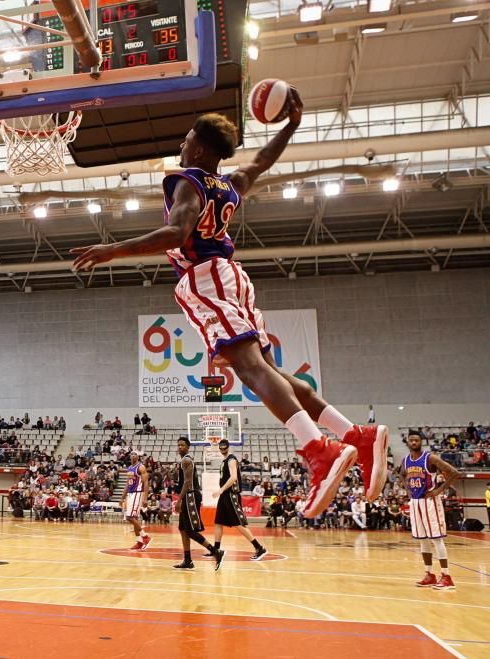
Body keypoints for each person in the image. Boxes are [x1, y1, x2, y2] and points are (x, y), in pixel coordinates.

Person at [70, 97, 388, 518]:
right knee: (274, 374)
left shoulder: (188, 180)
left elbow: (176, 230)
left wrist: (114, 249)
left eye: (186, 140)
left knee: (250, 370)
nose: (182, 146)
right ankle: (355, 436)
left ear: (199, 149)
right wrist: (290, 126)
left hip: (205, 276)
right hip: (232, 277)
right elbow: (263, 161)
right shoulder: (231, 182)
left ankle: (318, 449)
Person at [404, 430, 461, 591]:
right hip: (415, 502)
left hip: (429, 501)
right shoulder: (406, 461)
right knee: (422, 539)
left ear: (421, 442)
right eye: (411, 440)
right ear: (407, 442)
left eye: (416, 440)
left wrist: (439, 490)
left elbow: (454, 473)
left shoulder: (430, 458)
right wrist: (408, 490)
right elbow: (402, 475)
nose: (414, 442)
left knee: (436, 539)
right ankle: (429, 574)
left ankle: (447, 576)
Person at [208, 440, 267, 561]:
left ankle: (259, 547)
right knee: (218, 522)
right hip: (225, 495)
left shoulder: (231, 459)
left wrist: (221, 489)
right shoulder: (225, 460)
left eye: (224, 448)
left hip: (231, 495)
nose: (222, 450)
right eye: (221, 448)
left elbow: (234, 477)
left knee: (238, 524)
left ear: (228, 448)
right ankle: (216, 550)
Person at [173, 437, 224, 570]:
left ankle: (215, 551)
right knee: (182, 529)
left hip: (190, 496)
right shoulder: (184, 460)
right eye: (178, 445)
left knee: (190, 530)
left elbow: (188, 482)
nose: (180, 447)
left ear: (188, 447)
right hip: (187, 496)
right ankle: (188, 560)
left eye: (182, 445)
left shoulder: (187, 460)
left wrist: (179, 500)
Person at [121, 451, 151, 550]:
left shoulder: (141, 467)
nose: (133, 456)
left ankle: (145, 537)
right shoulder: (129, 468)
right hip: (130, 494)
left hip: (137, 493)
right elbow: (127, 484)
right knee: (134, 519)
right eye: (131, 454)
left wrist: (145, 498)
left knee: (129, 517)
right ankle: (139, 542)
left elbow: (146, 483)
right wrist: (123, 497)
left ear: (138, 457)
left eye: (135, 454)